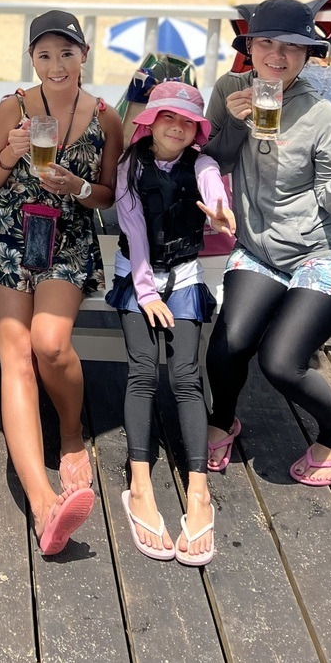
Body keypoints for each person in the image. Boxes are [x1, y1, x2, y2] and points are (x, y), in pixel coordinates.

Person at [0, 10, 122, 555]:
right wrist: (11, 152)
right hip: (5, 231)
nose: (56, 65)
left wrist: (77, 188)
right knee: (17, 352)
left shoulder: (107, 118)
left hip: (66, 238)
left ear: (83, 55)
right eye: (45, 54)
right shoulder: (14, 108)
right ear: (32, 58)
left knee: (50, 344)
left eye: (66, 53)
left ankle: (71, 434)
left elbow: (109, 195)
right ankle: (43, 503)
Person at [202, 0, 331, 486]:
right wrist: (235, 123)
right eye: (267, 43)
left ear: (307, 54)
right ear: (250, 47)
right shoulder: (230, 89)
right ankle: (223, 418)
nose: (278, 56)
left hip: (322, 255)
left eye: (293, 47)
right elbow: (214, 159)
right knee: (227, 346)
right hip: (259, 250)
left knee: (280, 362)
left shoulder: (322, 114)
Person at [107, 82, 234, 566]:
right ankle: (139, 485)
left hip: (183, 273)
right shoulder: (130, 165)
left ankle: (198, 492)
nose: (177, 127)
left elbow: (213, 191)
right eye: (168, 117)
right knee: (143, 370)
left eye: (187, 121)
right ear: (151, 121)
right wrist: (144, 292)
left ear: (196, 130)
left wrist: (220, 215)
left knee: (185, 376)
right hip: (136, 272)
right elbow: (134, 230)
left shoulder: (201, 164)